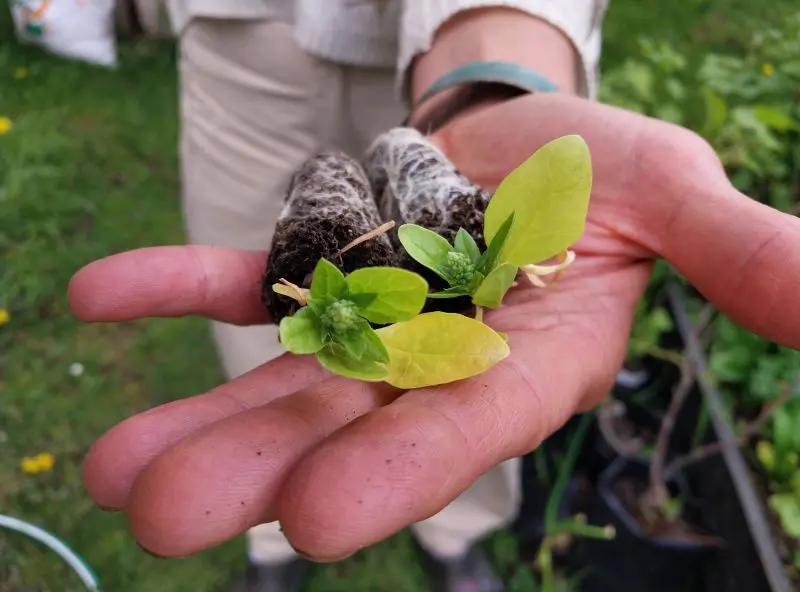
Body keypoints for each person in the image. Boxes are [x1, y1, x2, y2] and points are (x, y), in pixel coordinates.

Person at [68, 1, 800, 591]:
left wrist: (491, 64)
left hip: (473, 39)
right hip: (245, 36)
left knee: (476, 386)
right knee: (270, 351)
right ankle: (267, 542)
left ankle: (457, 535)